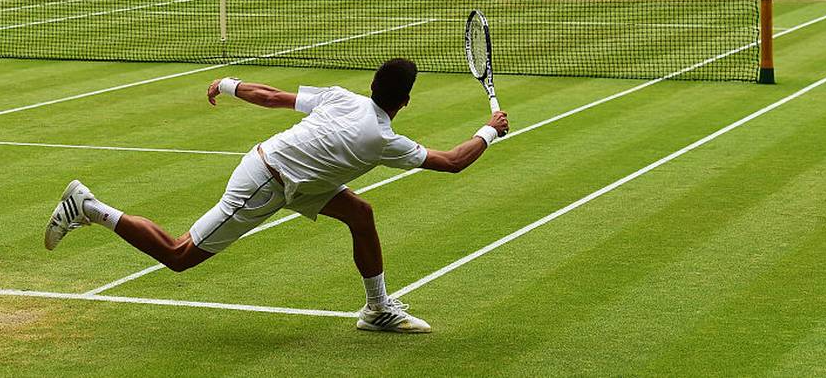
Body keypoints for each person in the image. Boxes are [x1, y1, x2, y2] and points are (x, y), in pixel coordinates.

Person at [44, 59, 510, 334]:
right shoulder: (384, 140)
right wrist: (489, 132)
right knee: (180, 254)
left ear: (372, 86)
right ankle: (89, 207)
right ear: (405, 102)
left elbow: (272, 97)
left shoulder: (343, 96)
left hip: (300, 179)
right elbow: (451, 161)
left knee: (360, 213)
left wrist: (228, 84)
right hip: (267, 183)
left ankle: (377, 309)